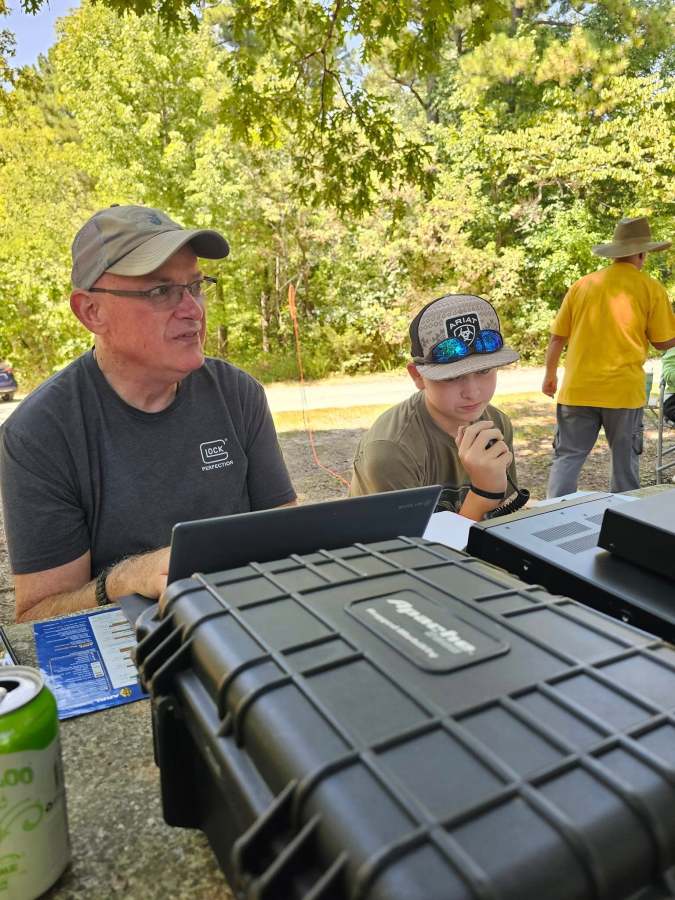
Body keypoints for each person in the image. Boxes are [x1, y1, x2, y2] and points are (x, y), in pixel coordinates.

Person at [0, 205, 296, 622]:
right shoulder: (40, 433)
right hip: (135, 643)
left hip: (244, 624)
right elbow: (37, 616)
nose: (193, 310)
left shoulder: (238, 394)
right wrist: (121, 581)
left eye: (195, 286)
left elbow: (287, 539)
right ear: (90, 312)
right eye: (160, 291)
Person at [350, 293, 521, 520]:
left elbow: (504, 519)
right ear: (418, 376)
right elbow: (409, 542)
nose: (472, 392)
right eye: (451, 377)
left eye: (484, 371)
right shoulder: (391, 451)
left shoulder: (496, 424)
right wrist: (483, 494)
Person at [542, 216, 675, 497]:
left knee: (568, 457)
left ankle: (553, 512)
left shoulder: (583, 285)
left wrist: (549, 376)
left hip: (577, 390)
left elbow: (557, 338)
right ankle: (625, 519)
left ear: (614, 253)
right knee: (625, 465)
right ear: (643, 254)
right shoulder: (650, 288)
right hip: (624, 393)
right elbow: (663, 342)